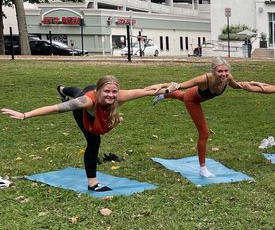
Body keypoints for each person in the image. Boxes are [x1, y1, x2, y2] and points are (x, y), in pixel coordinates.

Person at [1, 76, 161, 191]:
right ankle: (93, 183)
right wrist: (25, 115)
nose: (111, 95)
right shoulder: (86, 102)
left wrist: (172, 86)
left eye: (114, 92)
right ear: (99, 92)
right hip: (83, 111)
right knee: (93, 142)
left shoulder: (120, 95)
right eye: (106, 92)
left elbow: (148, 91)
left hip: (89, 92)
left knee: (78, 90)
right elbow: (55, 109)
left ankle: (62, 89)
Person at [150, 57, 255, 178]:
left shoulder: (228, 78)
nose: (223, 74)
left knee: (182, 96)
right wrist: (163, 85)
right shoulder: (204, 79)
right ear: (213, 70)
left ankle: (164, 96)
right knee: (204, 133)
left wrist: (250, 84)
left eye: (226, 71)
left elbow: (236, 85)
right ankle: (203, 169)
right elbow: (180, 85)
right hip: (192, 100)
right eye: (220, 71)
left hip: (195, 95)